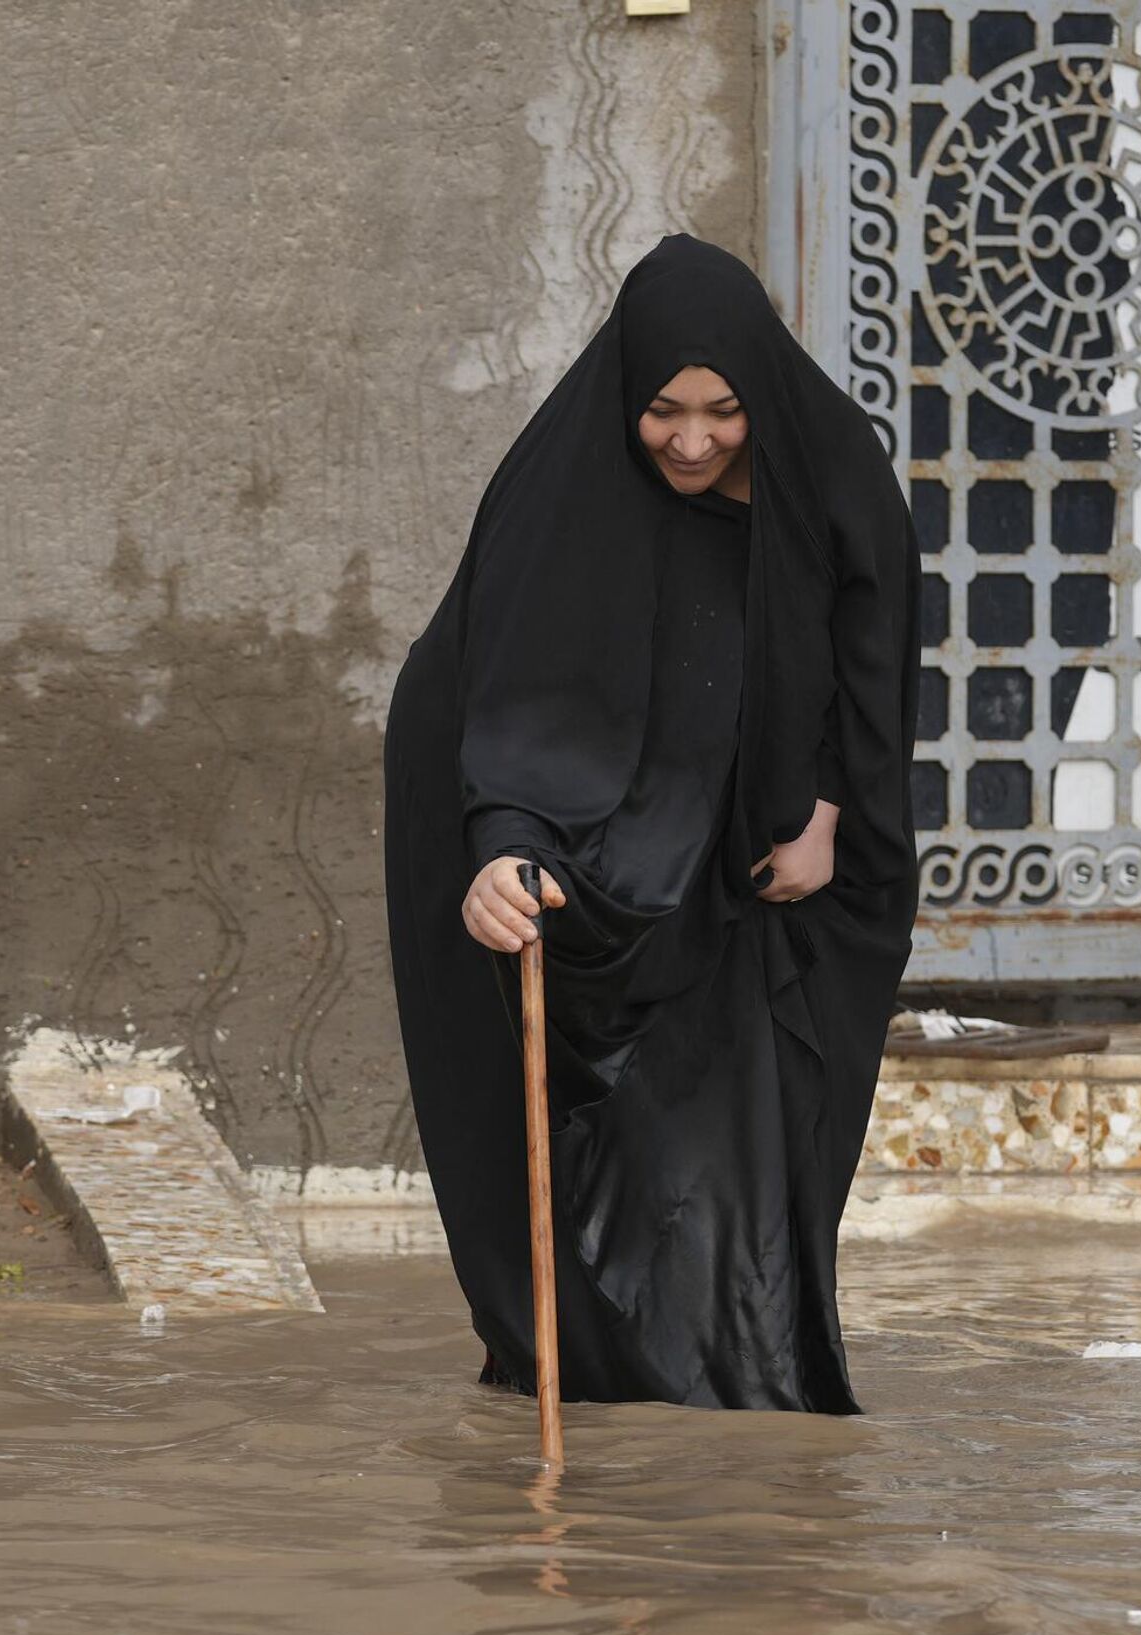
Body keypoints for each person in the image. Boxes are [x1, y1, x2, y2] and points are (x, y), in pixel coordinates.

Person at [384, 235, 920, 1415]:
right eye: (662, 411)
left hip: (762, 875)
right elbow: (508, 696)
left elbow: (868, 667)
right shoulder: (562, 493)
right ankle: (611, 1418)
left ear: (761, 393)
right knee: (594, 1183)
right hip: (591, 866)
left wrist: (826, 813)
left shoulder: (830, 474)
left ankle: (732, 1469)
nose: (691, 441)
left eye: (723, 411)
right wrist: (500, 847)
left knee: (749, 1204)